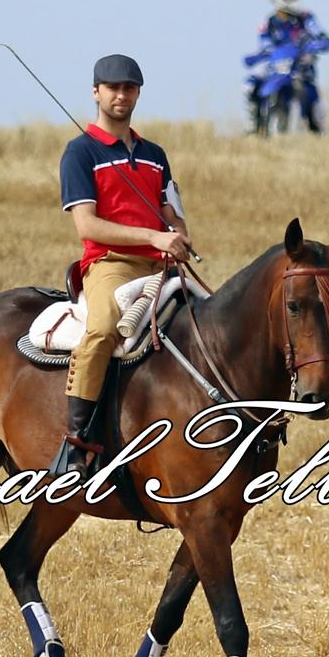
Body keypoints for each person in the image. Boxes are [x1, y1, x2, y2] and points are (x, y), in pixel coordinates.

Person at [56, 54, 193, 479]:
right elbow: (87, 223)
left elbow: (173, 210)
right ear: (96, 92)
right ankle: (76, 445)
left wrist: (177, 235)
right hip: (110, 264)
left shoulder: (155, 154)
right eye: (113, 88)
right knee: (101, 330)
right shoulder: (80, 152)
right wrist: (153, 237)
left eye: (129, 88)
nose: (121, 95)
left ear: (138, 93)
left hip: (160, 266)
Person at [248, 0, 329, 134]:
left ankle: (317, 130)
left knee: (315, 105)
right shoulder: (268, 23)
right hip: (275, 69)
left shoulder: (306, 19)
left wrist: (314, 46)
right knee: (249, 84)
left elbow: (322, 37)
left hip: (301, 69)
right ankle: (255, 126)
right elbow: (264, 44)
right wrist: (258, 56)